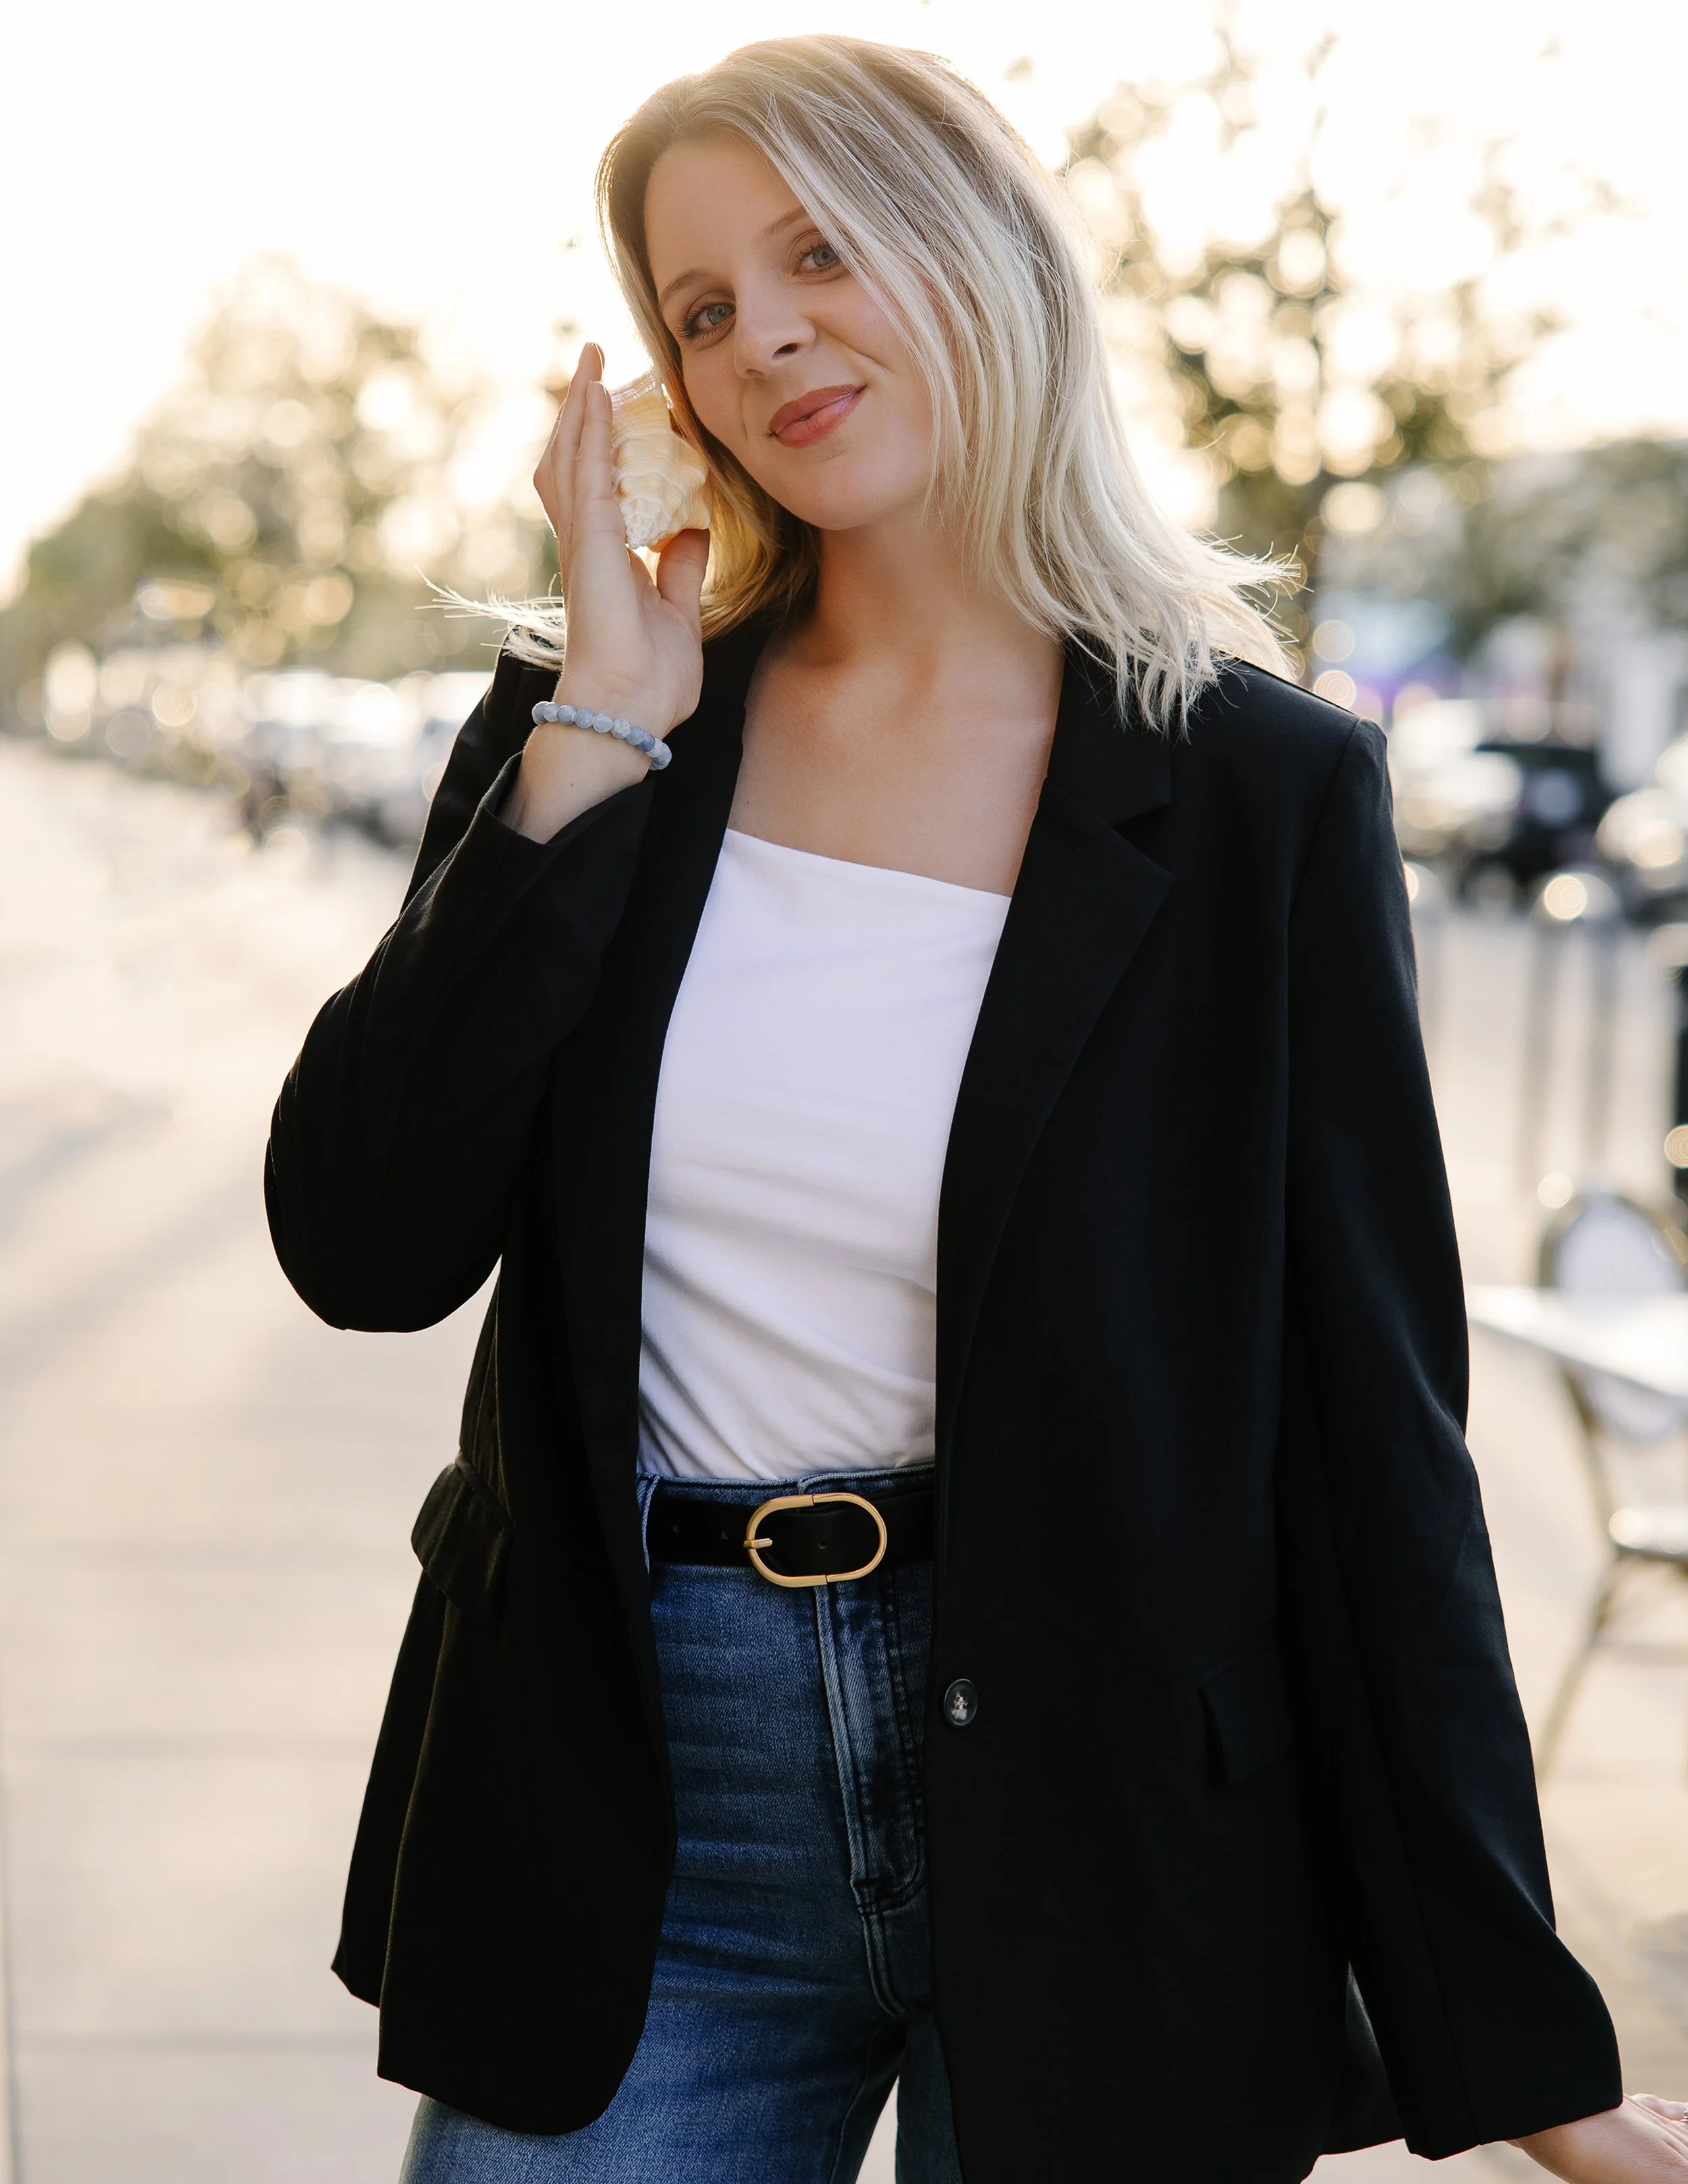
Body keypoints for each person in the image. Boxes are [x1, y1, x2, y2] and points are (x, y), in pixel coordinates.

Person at [264, 34, 1688, 2184]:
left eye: (819, 250)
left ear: (982, 250)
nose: (766, 339)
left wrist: (1518, 2046)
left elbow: (1368, 1436)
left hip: (1108, 1802)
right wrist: (596, 739)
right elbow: (363, 1245)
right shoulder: (600, 741)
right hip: (644, 1805)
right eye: (701, 309)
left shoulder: (1255, 792)